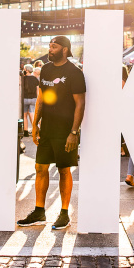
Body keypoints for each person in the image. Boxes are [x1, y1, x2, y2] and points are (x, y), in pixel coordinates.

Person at [17, 35, 86, 230]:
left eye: (54, 46)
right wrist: (36, 124)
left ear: (64, 49)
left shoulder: (74, 72)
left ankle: (64, 214)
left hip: (65, 130)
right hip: (46, 128)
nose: (50, 49)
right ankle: (39, 211)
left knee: (64, 170)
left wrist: (74, 132)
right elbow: (41, 99)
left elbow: (80, 104)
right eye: (49, 46)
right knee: (40, 168)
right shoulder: (46, 69)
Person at [22, 64, 38, 136]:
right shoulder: (35, 79)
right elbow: (37, 89)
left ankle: (25, 131)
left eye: (24, 69)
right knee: (32, 114)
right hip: (33, 98)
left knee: (24, 115)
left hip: (24, 98)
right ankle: (35, 129)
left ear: (27, 70)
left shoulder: (23, 79)